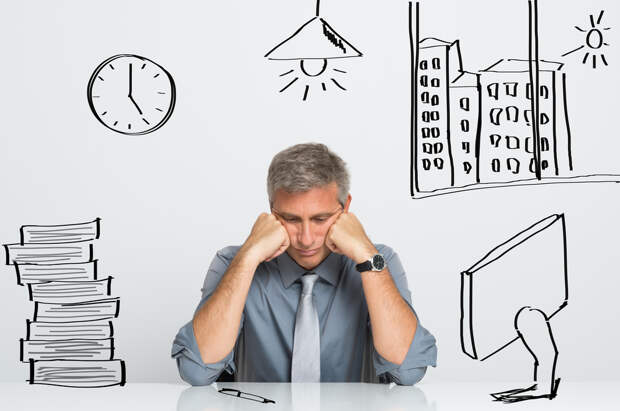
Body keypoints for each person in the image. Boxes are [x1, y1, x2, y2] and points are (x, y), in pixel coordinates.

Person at [171, 143, 437, 385]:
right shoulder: (233, 262)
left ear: (346, 209)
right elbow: (197, 371)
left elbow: (409, 371)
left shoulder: (378, 261)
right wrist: (249, 257)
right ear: (271, 211)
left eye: (320, 219)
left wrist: (367, 255)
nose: (306, 239)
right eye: (291, 219)